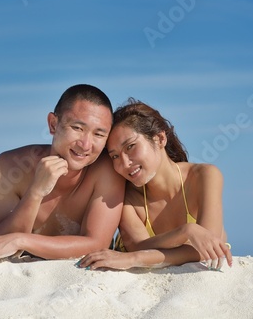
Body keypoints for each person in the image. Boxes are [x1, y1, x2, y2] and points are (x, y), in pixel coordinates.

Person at [0, 84, 125, 264]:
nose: (85, 144)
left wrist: (21, 240)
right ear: (53, 124)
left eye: (98, 134)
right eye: (77, 128)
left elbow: (97, 244)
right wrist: (35, 192)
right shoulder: (10, 166)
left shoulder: (106, 170)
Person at [78, 98, 232, 271]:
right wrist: (186, 232)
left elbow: (207, 248)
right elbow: (139, 246)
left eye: (130, 147)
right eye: (115, 156)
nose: (124, 163)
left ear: (160, 138)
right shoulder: (127, 196)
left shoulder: (204, 176)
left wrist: (134, 258)